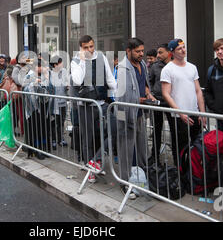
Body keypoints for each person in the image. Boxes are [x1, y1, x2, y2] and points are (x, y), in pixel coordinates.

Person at [71, 35, 117, 183]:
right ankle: (90, 167)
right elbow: (78, 81)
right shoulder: (76, 61)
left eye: (91, 46)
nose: (90, 50)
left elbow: (110, 79)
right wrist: (83, 61)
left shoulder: (101, 57)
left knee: (113, 130)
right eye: (86, 47)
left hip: (102, 103)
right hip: (86, 106)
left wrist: (118, 95)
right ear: (81, 48)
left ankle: (96, 161)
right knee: (88, 138)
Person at [115, 38, 155, 199]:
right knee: (126, 150)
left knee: (141, 147)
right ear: (128, 51)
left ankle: (141, 179)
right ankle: (124, 183)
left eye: (142, 51)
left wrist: (148, 93)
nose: (141, 54)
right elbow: (123, 97)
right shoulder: (123, 68)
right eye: (137, 51)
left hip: (138, 113)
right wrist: (144, 101)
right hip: (125, 113)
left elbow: (144, 85)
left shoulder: (143, 65)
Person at [161, 39, 206, 165]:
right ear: (172, 52)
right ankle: (181, 173)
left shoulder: (192, 67)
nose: (183, 50)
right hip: (178, 116)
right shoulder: (168, 69)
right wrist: (180, 113)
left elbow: (198, 91)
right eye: (179, 48)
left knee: (197, 146)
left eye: (184, 47)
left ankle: (195, 173)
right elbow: (166, 93)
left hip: (194, 113)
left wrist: (202, 113)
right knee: (180, 147)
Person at [147, 43, 177, 166]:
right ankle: (155, 158)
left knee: (174, 131)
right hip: (158, 102)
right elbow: (149, 82)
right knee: (156, 131)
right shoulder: (155, 67)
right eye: (157, 53)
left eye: (161, 52)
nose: (158, 55)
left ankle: (177, 160)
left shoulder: (176, 65)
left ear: (169, 53)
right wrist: (151, 95)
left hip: (171, 103)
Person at [49, 56, 69, 149]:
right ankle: (53, 140)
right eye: (60, 63)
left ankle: (61, 139)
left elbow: (67, 82)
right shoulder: (50, 73)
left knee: (61, 121)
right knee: (53, 121)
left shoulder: (64, 71)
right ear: (55, 64)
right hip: (54, 102)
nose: (62, 64)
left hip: (63, 101)